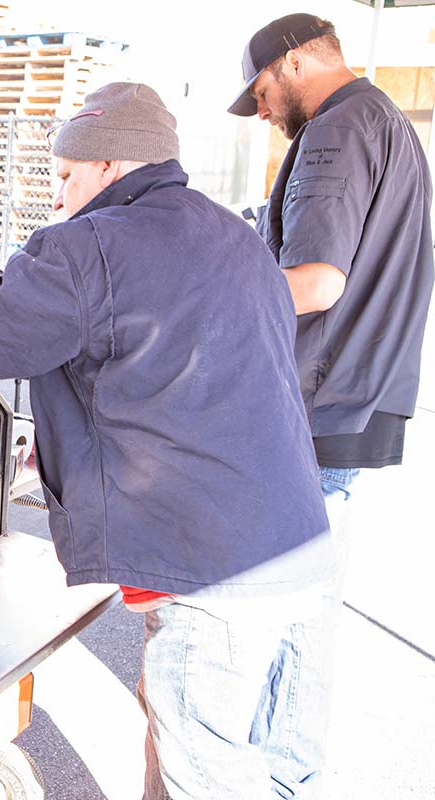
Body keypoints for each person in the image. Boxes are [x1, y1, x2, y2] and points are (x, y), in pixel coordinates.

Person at [0, 83, 336, 799]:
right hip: (289, 548)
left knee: (207, 772)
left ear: (110, 164)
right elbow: (161, 372)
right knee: (200, 742)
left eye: (67, 175)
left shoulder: (97, 244)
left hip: (215, 570)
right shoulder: (228, 233)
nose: (57, 197)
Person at [226, 12, 435, 794]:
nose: (264, 113)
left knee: (287, 614)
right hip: (357, 398)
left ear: (292, 63)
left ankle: (282, 779)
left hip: (322, 407)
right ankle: (289, 775)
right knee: (307, 607)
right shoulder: (389, 121)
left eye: (262, 93)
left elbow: (315, 281)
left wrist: (206, 297)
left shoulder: (339, 129)